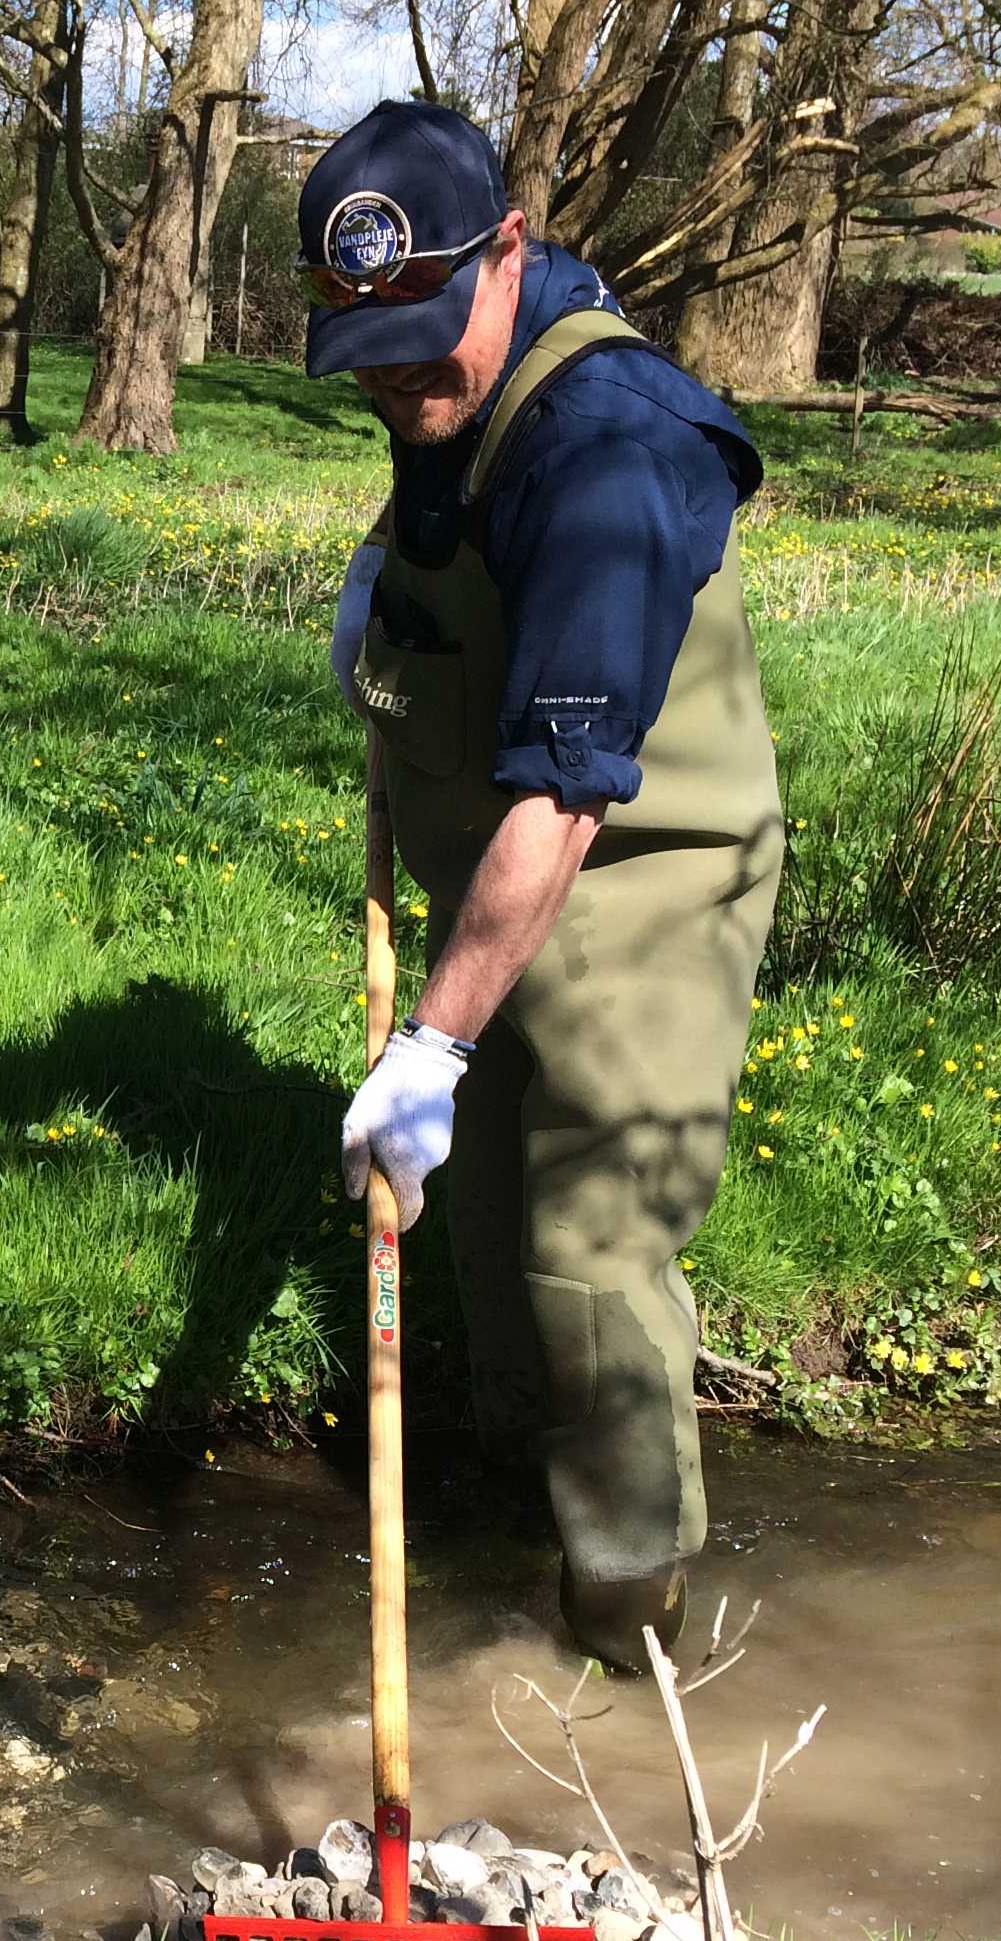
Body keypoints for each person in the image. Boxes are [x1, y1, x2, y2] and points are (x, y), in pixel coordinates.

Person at [311, 101, 783, 1672]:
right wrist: (390, 609)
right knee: (486, 1237)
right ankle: (522, 1527)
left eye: (432, 338)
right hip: (494, 876)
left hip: (639, 873)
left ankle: (624, 1637)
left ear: (507, 252)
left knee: (588, 1259)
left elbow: (572, 794)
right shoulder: (438, 374)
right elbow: (452, 518)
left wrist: (428, 1047)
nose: (402, 378)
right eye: (368, 352)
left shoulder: (612, 454)